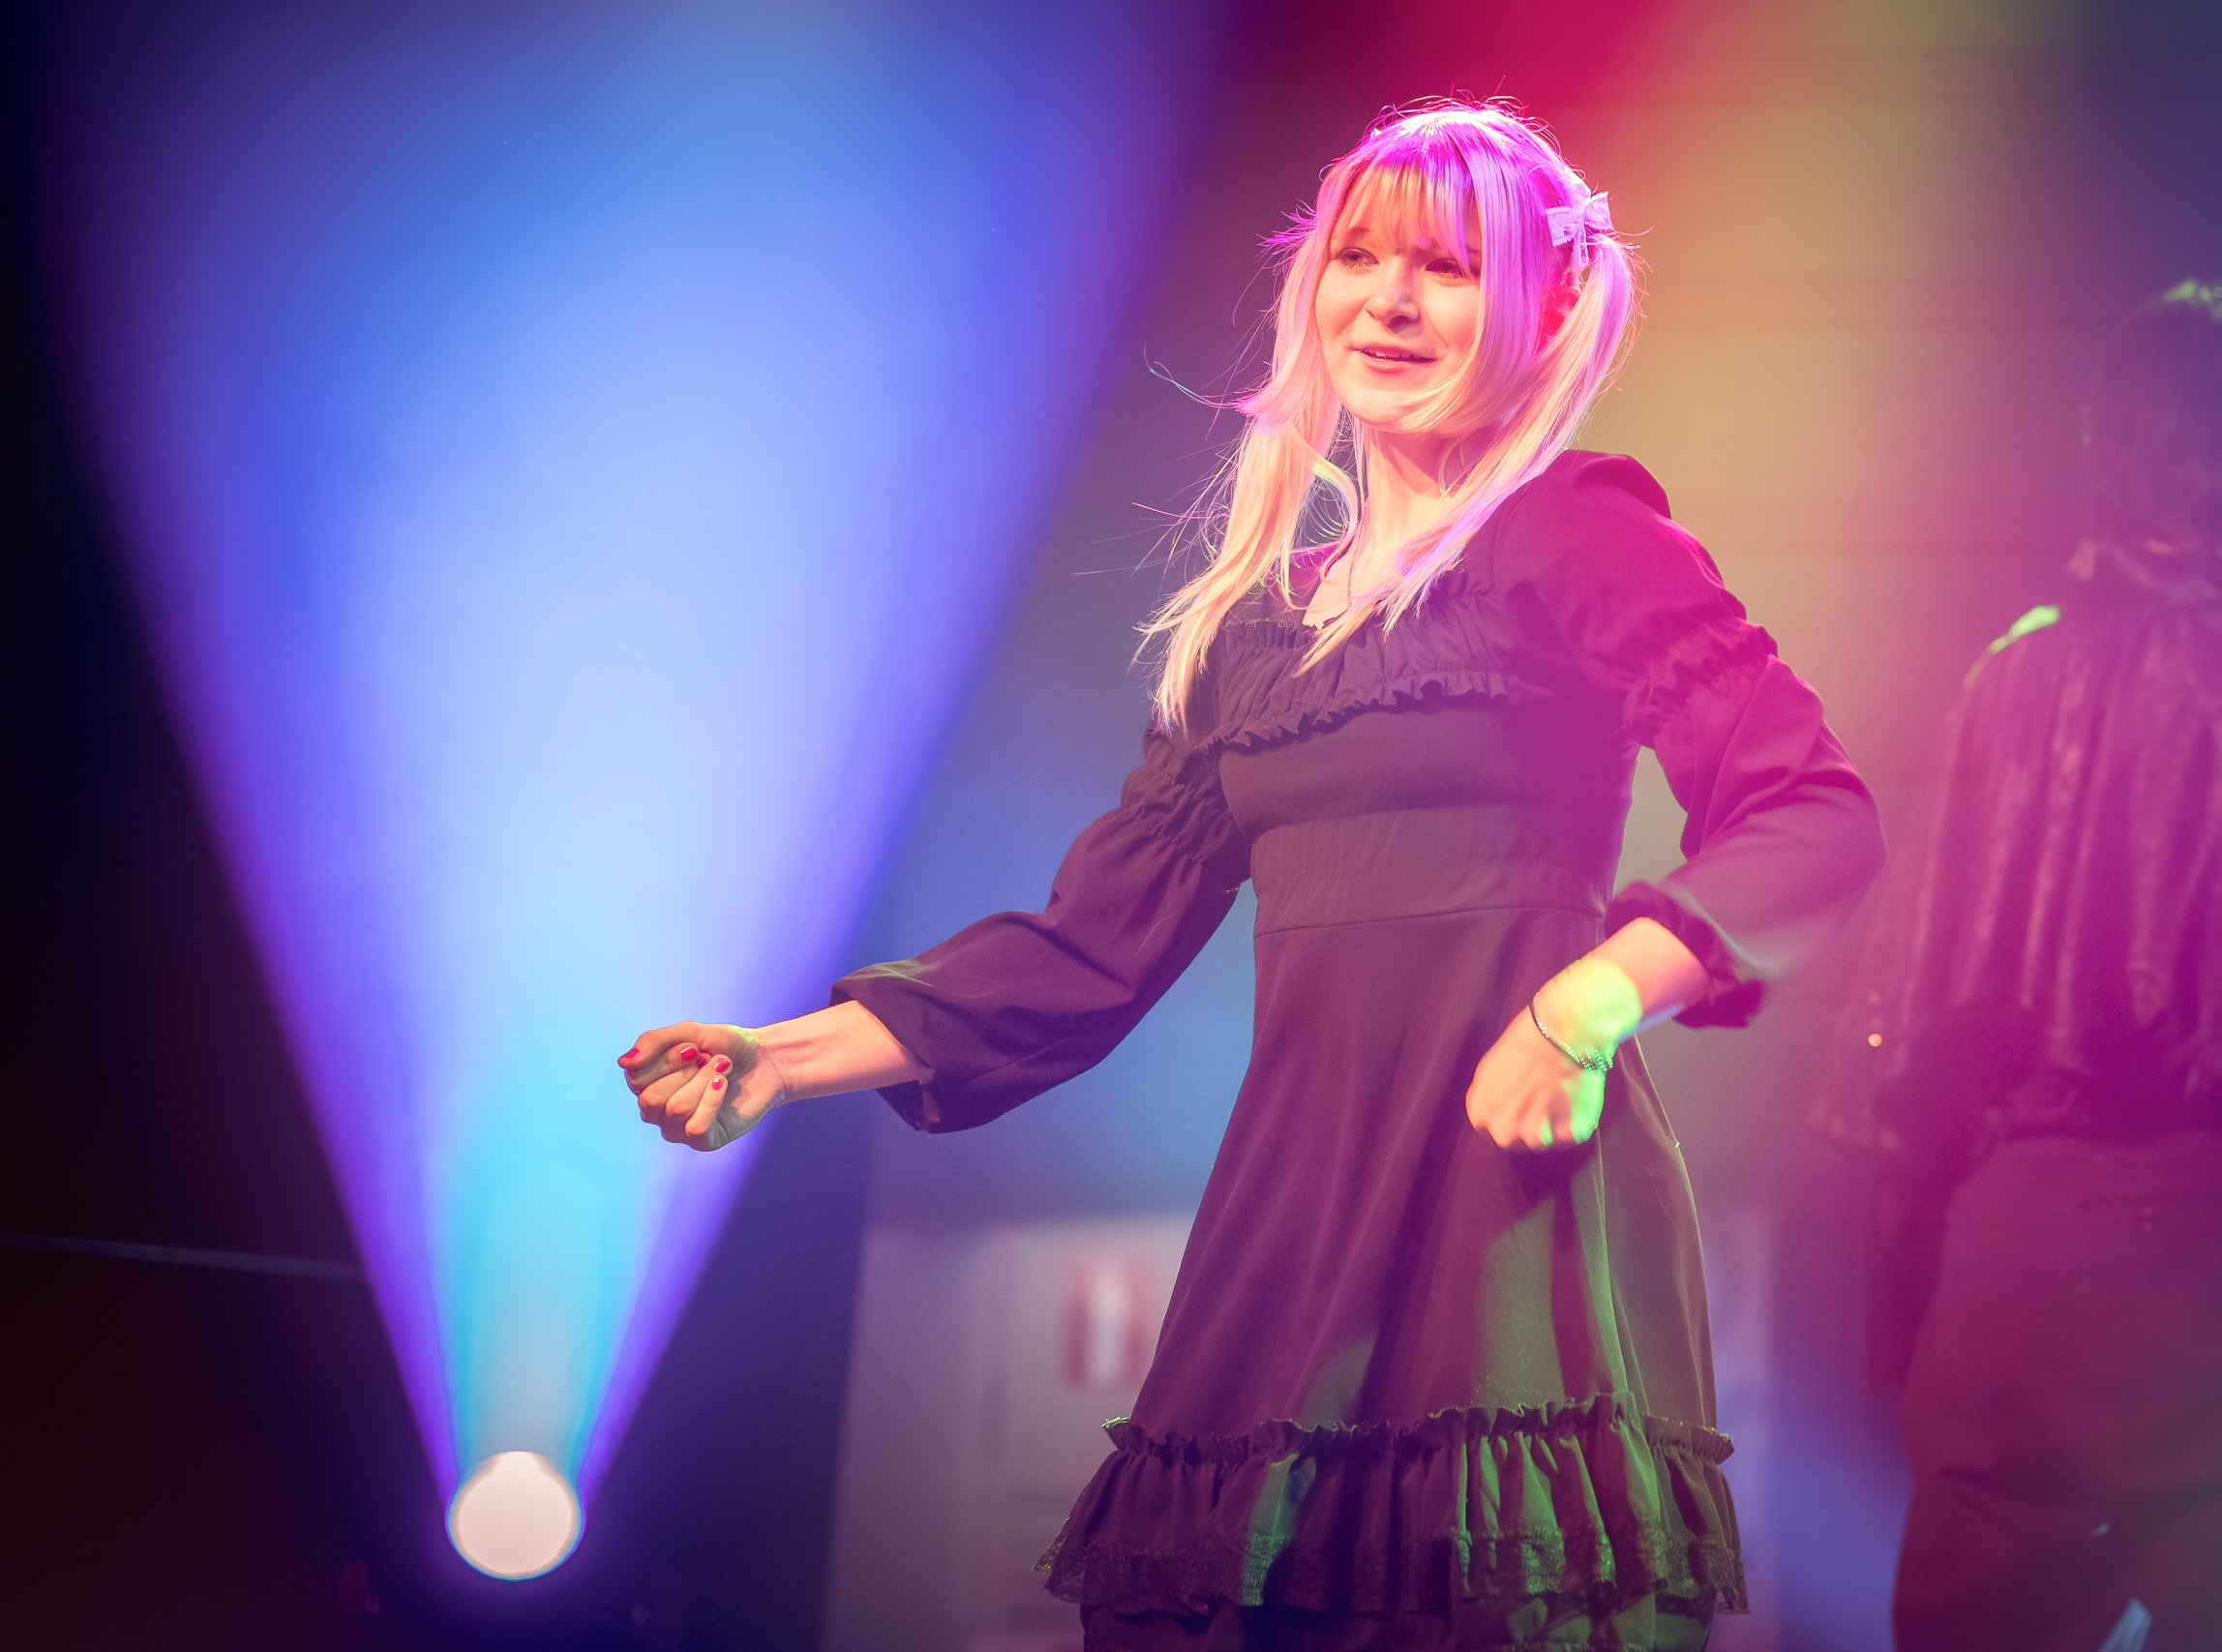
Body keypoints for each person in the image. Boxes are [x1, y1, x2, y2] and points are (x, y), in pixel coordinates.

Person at [622, 103, 1882, 1652]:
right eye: (1359, 258)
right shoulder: (1252, 628)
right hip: (1291, 1222)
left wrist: (1588, 1007)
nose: (1390, 301)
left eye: (1446, 267)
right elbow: (1086, 948)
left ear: (1541, 310)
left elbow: (1811, 813)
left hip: (1509, 1214)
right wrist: (778, 1058)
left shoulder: (1576, 534)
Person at [1816, 277, 2222, 1652]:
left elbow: (1901, 1042)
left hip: (1995, 1282)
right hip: (2221, 1290)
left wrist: (1915, 1330)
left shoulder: (1998, 681)